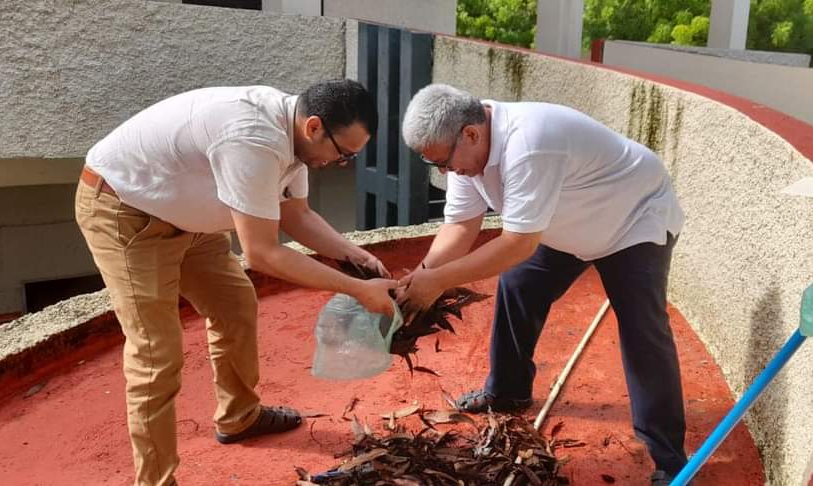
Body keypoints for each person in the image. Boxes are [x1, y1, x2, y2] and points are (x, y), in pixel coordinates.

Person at [75, 79, 398, 486]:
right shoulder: (254, 136)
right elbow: (263, 253)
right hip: (126, 211)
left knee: (236, 306)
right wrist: (357, 290)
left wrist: (357, 256)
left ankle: (239, 416)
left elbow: (296, 216)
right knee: (157, 353)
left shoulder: (296, 139)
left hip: (187, 219)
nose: (340, 163)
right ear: (314, 126)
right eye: (342, 155)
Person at [396, 84, 688, 484]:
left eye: (445, 163)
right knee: (518, 285)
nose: (446, 173)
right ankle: (508, 390)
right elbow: (461, 226)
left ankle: (670, 460)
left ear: (470, 133)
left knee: (643, 328)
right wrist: (418, 280)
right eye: (437, 166)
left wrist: (438, 282)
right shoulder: (464, 153)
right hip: (564, 222)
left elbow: (517, 243)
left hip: (632, 218)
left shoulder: (529, 143)